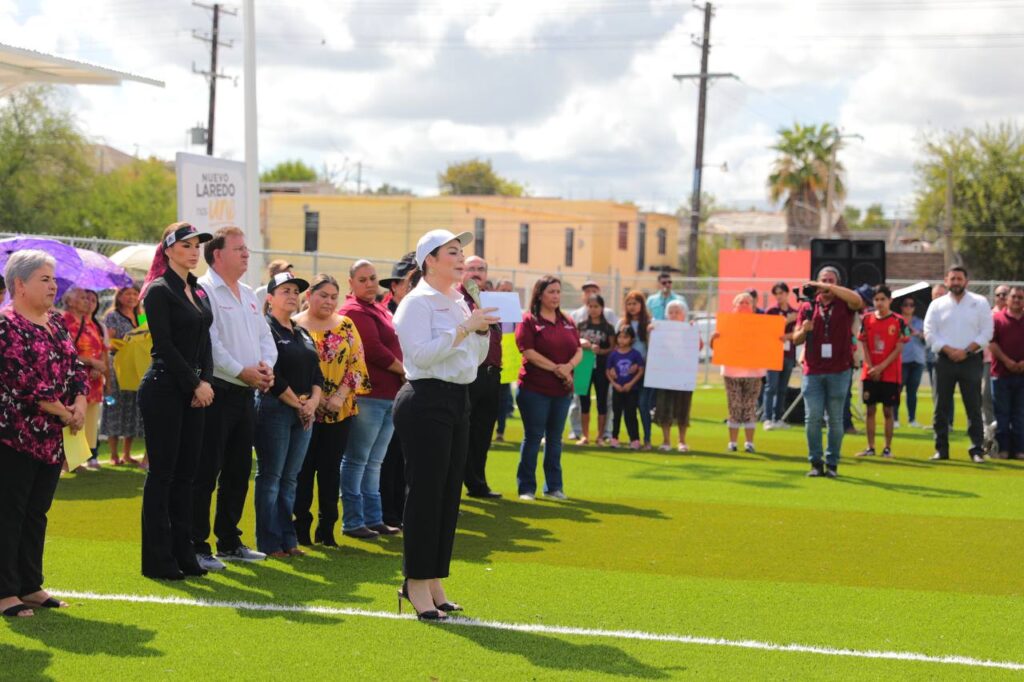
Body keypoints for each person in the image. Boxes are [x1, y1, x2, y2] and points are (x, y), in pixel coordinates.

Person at [392, 229, 496, 620]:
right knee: (425, 494)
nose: (460, 258)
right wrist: (467, 328)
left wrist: (480, 331)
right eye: (452, 252)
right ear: (429, 260)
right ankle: (414, 583)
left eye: (461, 251)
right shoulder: (416, 303)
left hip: (457, 399)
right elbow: (421, 355)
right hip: (425, 399)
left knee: (449, 494)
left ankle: (434, 579)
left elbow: (473, 356)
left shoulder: (457, 299)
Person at [0, 250, 88, 617]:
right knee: (9, 512)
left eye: (53, 279)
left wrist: (80, 403)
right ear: (19, 284)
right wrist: (62, 411)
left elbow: (75, 367)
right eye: (45, 279)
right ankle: (5, 592)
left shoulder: (56, 322)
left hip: (53, 437)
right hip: (15, 435)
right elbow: (19, 379)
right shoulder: (6, 325)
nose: (54, 286)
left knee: (37, 512)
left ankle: (30, 585)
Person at [193, 227, 277, 572]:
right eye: (239, 249)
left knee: (239, 471)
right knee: (206, 471)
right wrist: (241, 371)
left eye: (247, 249)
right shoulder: (203, 290)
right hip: (219, 391)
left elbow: (264, 337)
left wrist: (266, 368)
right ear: (218, 254)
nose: (246, 254)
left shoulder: (249, 293)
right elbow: (210, 343)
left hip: (246, 394)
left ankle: (229, 540)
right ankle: (197, 545)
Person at [138, 222, 215, 580]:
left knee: (188, 475)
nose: (194, 250)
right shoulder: (158, 290)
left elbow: (206, 341)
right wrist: (193, 384)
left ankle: (184, 554)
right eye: (186, 245)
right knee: (164, 475)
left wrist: (206, 382)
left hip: (193, 390)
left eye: (197, 245)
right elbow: (164, 346)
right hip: (165, 389)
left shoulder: (197, 290)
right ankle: (158, 559)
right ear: (168, 250)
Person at [293, 275, 369, 545]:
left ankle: (327, 530)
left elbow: (357, 364)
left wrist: (338, 396)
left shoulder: (346, 325)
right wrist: (312, 400)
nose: (328, 301)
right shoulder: (294, 325)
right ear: (309, 295)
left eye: (333, 296)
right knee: (303, 471)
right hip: (302, 410)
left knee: (329, 470)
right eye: (322, 295)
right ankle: (300, 528)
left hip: (340, 410)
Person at [255, 273, 323, 558]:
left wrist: (312, 403)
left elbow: (317, 374)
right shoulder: (265, 329)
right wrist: (298, 404)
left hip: (303, 412)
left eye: (296, 291)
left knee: (290, 478)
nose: (293, 295)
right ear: (270, 298)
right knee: (271, 476)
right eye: (285, 290)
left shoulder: (301, 332)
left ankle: (288, 538)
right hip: (276, 409)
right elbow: (273, 375)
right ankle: (270, 542)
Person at [339, 259, 406, 538]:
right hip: (369, 395)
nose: (369, 284)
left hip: (389, 393)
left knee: (374, 461)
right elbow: (373, 349)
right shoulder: (353, 311)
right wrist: (405, 371)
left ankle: (373, 517)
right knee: (357, 459)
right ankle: (354, 521)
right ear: (351, 283)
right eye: (363, 279)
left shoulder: (377, 308)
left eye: (373, 279)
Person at [791, 266, 865, 478]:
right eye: (822, 280)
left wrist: (827, 286)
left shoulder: (844, 303)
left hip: (839, 369)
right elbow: (795, 339)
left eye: (831, 281)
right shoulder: (807, 306)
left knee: (835, 419)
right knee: (812, 417)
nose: (825, 285)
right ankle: (815, 462)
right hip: (813, 369)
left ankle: (832, 463)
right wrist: (805, 329)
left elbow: (858, 301)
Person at [515, 275, 582, 499]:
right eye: (551, 291)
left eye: (558, 292)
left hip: (561, 391)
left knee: (555, 439)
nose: (556, 296)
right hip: (535, 390)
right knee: (533, 437)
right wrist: (558, 369)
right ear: (540, 294)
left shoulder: (567, 320)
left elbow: (579, 350)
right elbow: (528, 352)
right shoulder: (529, 321)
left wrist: (570, 366)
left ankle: (554, 487)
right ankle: (526, 488)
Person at [923, 266, 992, 463]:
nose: (955, 282)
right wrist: (948, 350)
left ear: (966, 282)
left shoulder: (979, 302)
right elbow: (929, 332)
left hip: (970, 360)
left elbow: (987, 332)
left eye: (959, 279)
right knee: (940, 407)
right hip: (944, 360)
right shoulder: (937, 305)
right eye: (952, 279)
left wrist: (966, 351)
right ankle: (941, 449)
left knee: (973, 406)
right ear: (946, 281)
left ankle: (977, 450)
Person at [458, 255, 503, 499]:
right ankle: (457, 484)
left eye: (481, 269)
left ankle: (477, 483)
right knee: (463, 432)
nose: (477, 273)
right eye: (471, 268)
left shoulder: (493, 301)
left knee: (484, 432)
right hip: (468, 373)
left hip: (492, 374)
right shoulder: (457, 300)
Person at [378, 253, 418, 529]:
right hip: (388, 392)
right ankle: (387, 512)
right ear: (394, 286)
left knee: (405, 455)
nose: (414, 288)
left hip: (411, 391)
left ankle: (401, 510)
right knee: (386, 456)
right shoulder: (384, 312)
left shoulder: (419, 307)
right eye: (409, 282)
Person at [855, 285, 909, 458]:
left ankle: (887, 448)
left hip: (890, 374)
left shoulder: (899, 321)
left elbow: (899, 347)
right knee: (870, 410)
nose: (879, 303)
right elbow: (863, 344)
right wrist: (871, 367)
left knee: (888, 411)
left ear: (890, 300)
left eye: (882, 299)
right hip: (870, 373)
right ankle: (870, 447)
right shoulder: (866, 319)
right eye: (876, 299)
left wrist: (881, 367)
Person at [712, 293, 766, 453]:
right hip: (731, 371)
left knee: (749, 407)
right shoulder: (726, 323)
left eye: (747, 302)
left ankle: (749, 443)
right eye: (740, 302)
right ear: (734, 306)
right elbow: (715, 346)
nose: (743, 305)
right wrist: (714, 338)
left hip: (754, 371)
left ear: (753, 306)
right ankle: (733, 442)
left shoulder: (761, 324)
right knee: (734, 407)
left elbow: (769, 343)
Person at [61, 287, 107, 470]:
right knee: (73, 416)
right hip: (74, 380)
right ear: (70, 302)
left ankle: (82, 456)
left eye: (88, 298)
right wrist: (91, 362)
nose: (87, 301)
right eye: (82, 298)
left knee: (89, 419)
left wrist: (99, 366)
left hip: (92, 381)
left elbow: (100, 348)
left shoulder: (90, 323)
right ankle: (67, 460)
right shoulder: (64, 321)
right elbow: (65, 352)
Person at [101, 285, 146, 468]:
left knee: (132, 409)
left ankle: (127, 454)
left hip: (136, 368)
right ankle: (113, 454)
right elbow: (106, 342)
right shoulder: (112, 316)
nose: (132, 297)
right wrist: (123, 344)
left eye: (135, 294)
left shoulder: (141, 316)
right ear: (119, 297)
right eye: (127, 293)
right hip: (117, 367)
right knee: (115, 407)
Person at [567, 280, 617, 441]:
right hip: (583, 366)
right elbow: (572, 343)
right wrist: (582, 344)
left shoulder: (608, 326)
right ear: (586, 306)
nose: (593, 309)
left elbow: (613, 347)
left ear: (602, 307)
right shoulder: (580, 325)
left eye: (596, 306)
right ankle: (584, 435)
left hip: (602, 367)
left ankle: (601, 436)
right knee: (583, 401)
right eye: (590, 306)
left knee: (602, 401)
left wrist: (600, 350)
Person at [652, 300, 699, 452]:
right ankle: (666, 441)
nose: (673, 315)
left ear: (683, 314)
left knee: (683, 408)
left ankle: (682, 441)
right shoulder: (659, 329)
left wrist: (694, 331)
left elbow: (700, 346)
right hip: (665, 375)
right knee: (664, 407)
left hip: (683, 375)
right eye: (671, 312)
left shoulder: (690, 329)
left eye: (677, 312)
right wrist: (651, 330)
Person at [988, 285, 1024, 459]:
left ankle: (1019, 450)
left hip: (1022, 375)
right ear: (1007, 299)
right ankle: (1002, 449)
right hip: (1001, 374)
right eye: (1014, 297)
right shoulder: (997, 319)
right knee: (1002, 415)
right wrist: (1007, 361)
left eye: (1020, 297)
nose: (1017, 300)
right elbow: (992, 344)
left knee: (1020, 415)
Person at [622, 290, 655, 449]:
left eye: (635, 303)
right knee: (629, 408)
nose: (632, 307)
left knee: (643, 406)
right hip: (626, 373)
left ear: (642, 305)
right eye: (629, 304)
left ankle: (647, 440)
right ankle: (633, 439)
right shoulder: (623, 324)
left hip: (645, 371)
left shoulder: (649, 323)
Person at [763, 282, 798, 430]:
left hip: (788, 354)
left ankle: (778, 418)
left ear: (787, 294)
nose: (779, 296)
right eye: (776, 293)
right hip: (773, 354)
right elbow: (767, 331)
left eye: (781, 293)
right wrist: (786, 321)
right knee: (771, 387)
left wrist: (788, 336)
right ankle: (767, 418)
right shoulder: (771, 311)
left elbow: (798, 332)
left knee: (783, 388)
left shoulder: (794, 312)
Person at [606, 325, 644, 448]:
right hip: (617, 389)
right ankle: (614, 438)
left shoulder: (635, 354)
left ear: (632, 339)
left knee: (631, 414)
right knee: (616, 415)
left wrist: (631, 384)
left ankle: (634, 439)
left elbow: (640, 370)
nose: (622, 340)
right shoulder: (613, 355)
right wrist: (615, 384)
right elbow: (607, 371)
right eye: (620, 337)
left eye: (625, 337)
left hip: (631, 390)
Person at [895, 297, 927, 429]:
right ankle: (895, 419)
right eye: (906, 305)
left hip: (917, 360)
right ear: (901, 307)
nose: (908, 307)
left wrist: (917, 333)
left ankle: (912, 419)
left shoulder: (920, 322)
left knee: (912, 392)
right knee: (897, 390)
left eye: (911, 305)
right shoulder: (896, 321)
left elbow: (927, 339)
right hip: (901, 360)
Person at [494, 278, 517, 443]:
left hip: (506, 363)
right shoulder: (489, 309)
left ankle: (500, 430)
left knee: (503, 399)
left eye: (509, 291)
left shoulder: (515, 314)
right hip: (489, 362)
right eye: (503, 290)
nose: (507, 294)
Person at [926, 283, 947, 392]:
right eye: (936, 294)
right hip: (931, 357)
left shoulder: (951, 313)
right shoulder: (928, 312)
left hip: (947, 357)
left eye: (941, 294)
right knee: (936, 390)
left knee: (946, 391)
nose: (938, 297)